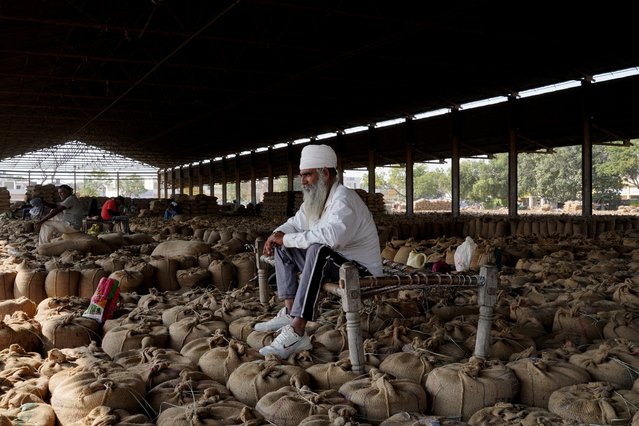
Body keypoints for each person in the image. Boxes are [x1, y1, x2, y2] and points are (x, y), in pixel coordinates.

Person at [255, 144, 383, 358]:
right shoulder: (316, 199)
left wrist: (286, 238)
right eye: (302, 175)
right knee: (283, 243)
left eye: (307, 175)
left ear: (324, 173)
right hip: (333, 265)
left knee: (318, 248)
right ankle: (289, 311)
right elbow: (294, 224)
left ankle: (297, 330)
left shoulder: (344, 198)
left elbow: (331, 239)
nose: (303, 181)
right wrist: (277, 234)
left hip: (358, 270)